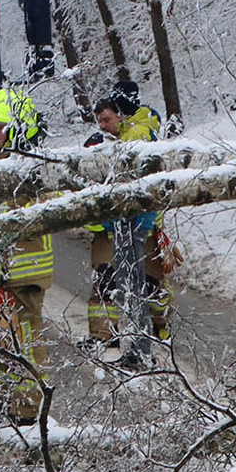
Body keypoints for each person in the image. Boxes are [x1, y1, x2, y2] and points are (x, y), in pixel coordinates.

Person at [0, 86, 55, 423]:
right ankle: (3, 403)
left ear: (19, 129)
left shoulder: (32, 169)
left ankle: (28, 410)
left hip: (20, 276)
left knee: (25, 343)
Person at [84, 82, 172, 351]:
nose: (102, 126)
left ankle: (148, 333)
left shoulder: (136, 135)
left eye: (107, 119)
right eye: (99, 121)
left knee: (145, 281)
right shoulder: (134, 132)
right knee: (115, 280)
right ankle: (140, 332)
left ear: (121, 115)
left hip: (137, 223)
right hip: (125, 224)